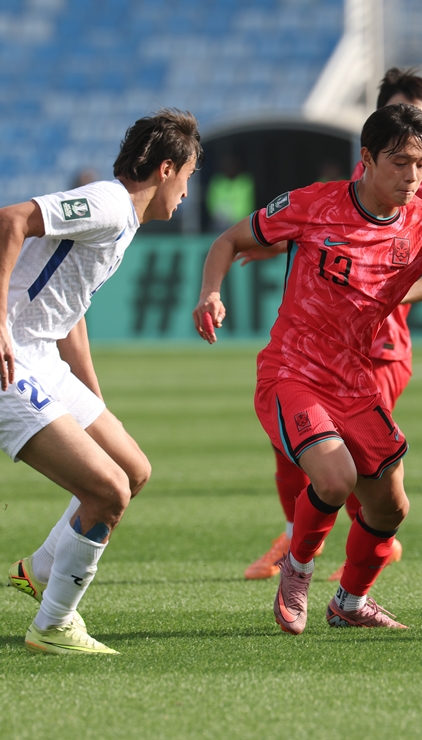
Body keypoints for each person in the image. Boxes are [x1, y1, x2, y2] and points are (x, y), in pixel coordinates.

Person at [194, 103, 422, 633]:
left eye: (421, 164)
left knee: (391, 508)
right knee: (336, 477)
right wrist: (210, 293)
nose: (412, 176)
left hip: (354, 382)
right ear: (366, 159)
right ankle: (297, 570)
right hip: (292, 371)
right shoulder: (314, 203)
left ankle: (349, 602)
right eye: (400, 162)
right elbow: (228, 240)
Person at [242, 67, 422, 583]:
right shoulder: (367, 171)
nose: (408, 128)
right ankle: (296, 536)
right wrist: (275, 243)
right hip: (318, 345)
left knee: (355, 462)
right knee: (291, 444)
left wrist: (388, 291)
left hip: (378, 348)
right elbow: (331, 231)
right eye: (398, 115)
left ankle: (366, 550)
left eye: (421, 119)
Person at [3, 109, 203, 654]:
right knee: (108, 489)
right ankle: (53, 625)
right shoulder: (109, 204)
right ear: (166, 169)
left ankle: (39, 570)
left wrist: (92, 399)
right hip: (11, 358)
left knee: (132, 468)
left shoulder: (123, 222)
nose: (187, 192)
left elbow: (70, 310)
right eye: (188, 177)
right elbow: (11, 220)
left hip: (41, 354)